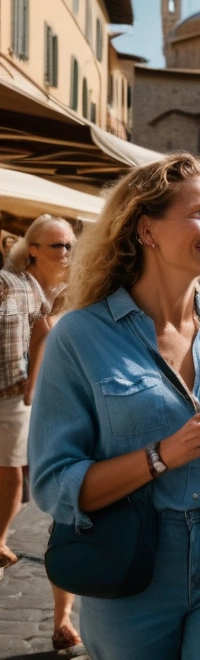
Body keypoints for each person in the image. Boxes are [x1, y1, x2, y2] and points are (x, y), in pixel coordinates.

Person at [28, 154, 200, 659]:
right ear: (146, 229)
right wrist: (161, 455)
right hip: (133, 559)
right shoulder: (80, 337)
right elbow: (52, 483)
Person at [5, 215, 82, 649]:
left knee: (67, 515)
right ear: (32, 248)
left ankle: (63, 617)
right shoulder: (14, 287)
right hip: (28, 406)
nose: (66, 254)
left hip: (71, 414)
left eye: (70, 245)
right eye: (58, 246)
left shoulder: (82, 291)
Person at [0, 239, 47, 584]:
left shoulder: (21, 284)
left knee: (10, 466)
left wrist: (33, 381)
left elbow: (42, 331)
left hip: (11, 394)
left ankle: (0, 539)